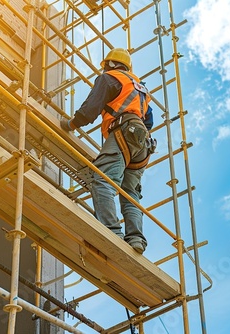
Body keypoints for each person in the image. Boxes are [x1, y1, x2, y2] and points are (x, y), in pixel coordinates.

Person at [60, 48, 155, 254]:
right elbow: (149, 121)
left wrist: (70, 124)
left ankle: (112, 233)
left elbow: (90, 109)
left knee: (103, 181)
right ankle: (136, 239)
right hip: (143, 143)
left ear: (110, 64)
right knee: (130, 193)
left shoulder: (110, 78)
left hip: (124, 133)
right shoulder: (141, 88)